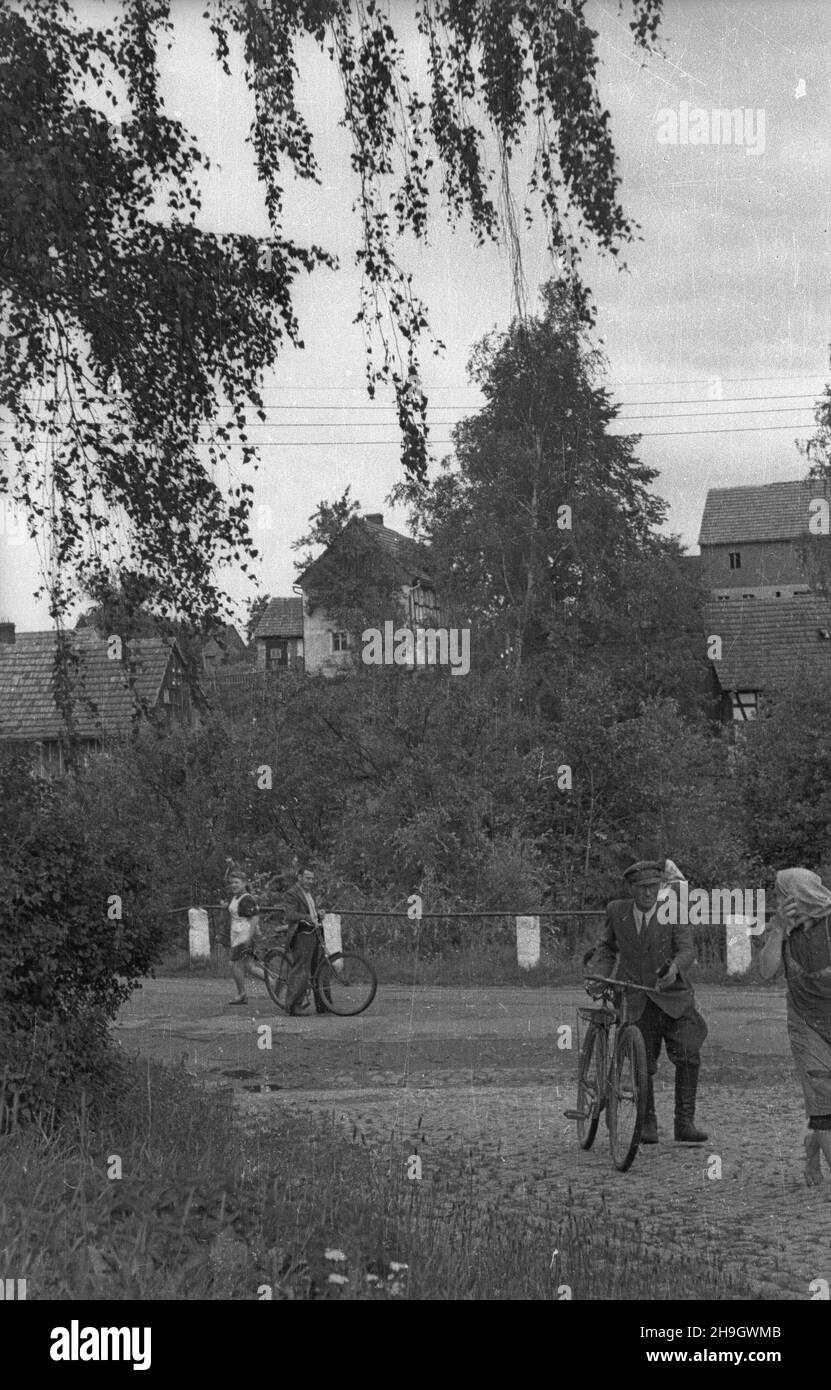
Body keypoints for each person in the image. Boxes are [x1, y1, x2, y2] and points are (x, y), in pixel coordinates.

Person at [585, 859, 709, 1144]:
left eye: (653, 887)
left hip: (673, 997)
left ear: (661, 887)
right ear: (630, 888)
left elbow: (687, 950)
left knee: (689, 1052)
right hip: (635, 996)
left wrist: (674, 968)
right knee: (642, 1060)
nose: (647, 893)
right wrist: (600, 976)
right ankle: (647, 1123)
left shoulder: (674, 911)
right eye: (641, 888)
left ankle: (684, 1123)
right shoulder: (617, 912)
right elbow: (606, 947)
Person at [758, 867, 831, 1186]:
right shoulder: (781, 930)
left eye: (780, 895)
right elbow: (765, 971)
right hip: (805, 1023)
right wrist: (778, 931)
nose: (778, 902)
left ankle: (812, 1149)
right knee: (823, 1098)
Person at [282, 865, 327, 1016]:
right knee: (301, 970)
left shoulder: (309, 894)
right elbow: (290, 915)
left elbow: (311, 913)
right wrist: (309, 918)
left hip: (314, 933)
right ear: (299, 877)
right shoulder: (292, 893)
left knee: (319, 969)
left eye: (312, 878)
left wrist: (318, 914)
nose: (310, 881)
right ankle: (294, 1006)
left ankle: (323, 1005)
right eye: (307, 878)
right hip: (301, 934)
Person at [226, 867, 267, 1005]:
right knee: (250, 967)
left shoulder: (247, 898)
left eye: (237, 882)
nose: (234, 885)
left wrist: (250, 937)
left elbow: (255, 918)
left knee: (233, 964)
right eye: (232, 882)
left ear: (244, 883)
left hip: (244, 935)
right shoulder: (236, 897)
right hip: (236, 934)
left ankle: (242, 994)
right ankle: (275, 983)